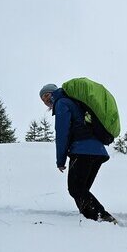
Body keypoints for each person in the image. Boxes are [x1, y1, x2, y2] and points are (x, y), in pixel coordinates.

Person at [39, 83, 115, 223]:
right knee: (81, 189)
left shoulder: (61, 103)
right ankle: (89, 220)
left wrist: (60, 161)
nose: (45, 100)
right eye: (42, 99)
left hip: (83, 150)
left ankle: (102, 217)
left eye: (46, 95)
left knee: (75, 188)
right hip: (97, 152)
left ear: (53, 93)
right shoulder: (75, 103)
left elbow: (62, 133)